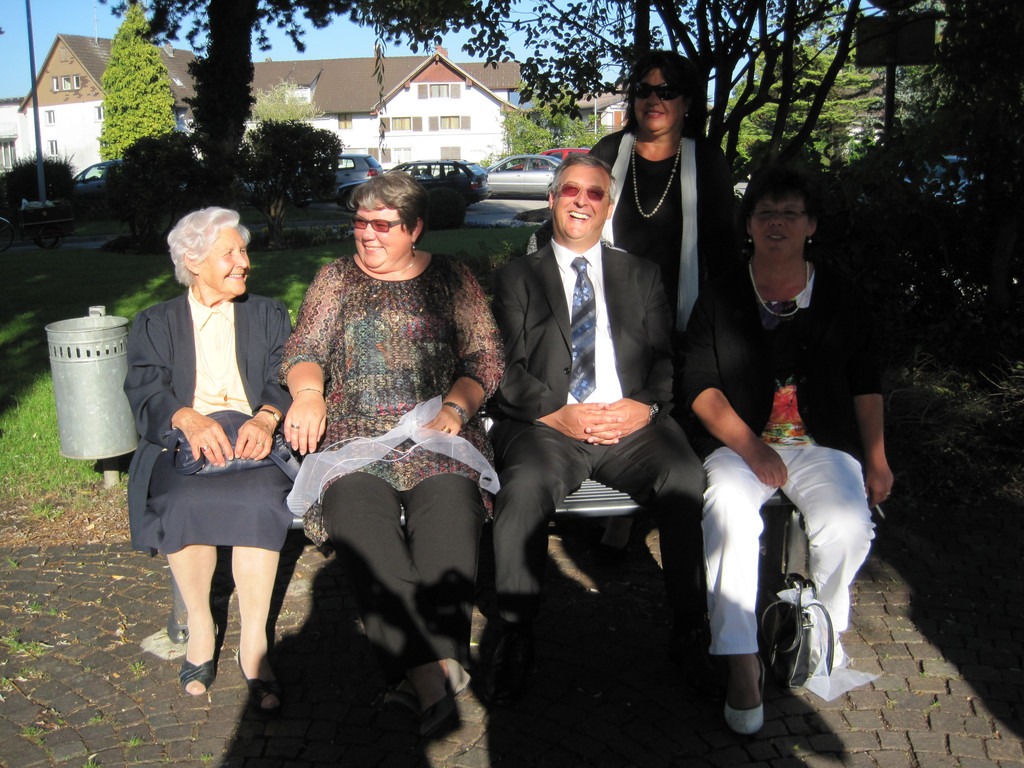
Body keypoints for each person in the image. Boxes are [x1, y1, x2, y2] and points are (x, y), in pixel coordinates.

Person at [280, 172, 503, 737]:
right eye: (360, 222)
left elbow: (485, 358)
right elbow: (304, 348)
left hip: (436, 429)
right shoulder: (335, 279)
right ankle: (436, 671)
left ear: (415, 228)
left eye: (383, 225)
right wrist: (308, 393)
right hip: (354, 435)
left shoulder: (451, 278)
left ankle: (419, 672)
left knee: (450, 514)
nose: (368, 234)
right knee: (360, 524)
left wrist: (455, 409)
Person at [484, 154, 707, 704]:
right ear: (552, 200)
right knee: (523, 490)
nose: (581, 201)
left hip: (632, 424)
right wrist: (553, 411)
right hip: (548, 428)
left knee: (684, 478)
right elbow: (501, 368)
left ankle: (691, 627)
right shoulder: (517, 278)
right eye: (570, 191)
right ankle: (515, 633)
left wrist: (644, 408)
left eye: (595, 193)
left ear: (608, 208)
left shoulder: (642, 275)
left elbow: (666, 360)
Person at [681, 165, 893, 734]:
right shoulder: (721, 295)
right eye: (765, 213)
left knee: (847, 525)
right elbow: (699, 386)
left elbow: (865, 383)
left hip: (820, 443)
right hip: (739, 442)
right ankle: (740, 659)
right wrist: (752, 448)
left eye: (790, 213)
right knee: (727, 513)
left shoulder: (841, 295)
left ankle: (819, 628)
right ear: (749, 224)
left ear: (811, 225)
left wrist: (876, 459)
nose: (777, 223)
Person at [124, 207, 293, 713]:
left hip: (254, 440)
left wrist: (266, 418)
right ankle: (201, 626)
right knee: (181, 502)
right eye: (230, 253)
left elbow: (287, 374)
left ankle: (254, 641)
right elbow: (145, 389)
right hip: (187, 444)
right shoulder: (156, 321)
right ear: (193, 262)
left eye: (244, 251)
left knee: (261, 501)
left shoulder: (268, 314)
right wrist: (187, 418)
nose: (244, 262)